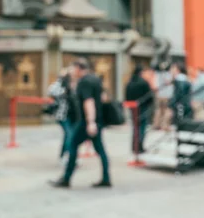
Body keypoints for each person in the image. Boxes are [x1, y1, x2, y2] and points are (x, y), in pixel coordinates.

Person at [49, 58, 111, 188]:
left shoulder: (84, 82)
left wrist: (90, 122)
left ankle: (66, 178)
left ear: (78, 68)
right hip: (97, 120)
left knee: (72, 145)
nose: (72, 71)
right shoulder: (95, 79)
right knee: (100, 150)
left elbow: (89, 102)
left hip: (86, 122)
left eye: (73, 68)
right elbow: (103, 98)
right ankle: (106, 178)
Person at [46, 68, 78, 165]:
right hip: (62, 115)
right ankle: (67, 156)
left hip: (73, 115)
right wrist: (63, 85)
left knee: (69, 136)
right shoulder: (58, 86)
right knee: (69, 135)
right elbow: (51, 91)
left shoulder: (74, 84)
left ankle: (65, 155)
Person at [125, 65, 154, 153]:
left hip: (132, 108)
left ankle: (134, 146)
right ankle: (139, 146)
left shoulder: (130, 82)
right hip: (142, 107)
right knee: (142, 127)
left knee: (135, 127)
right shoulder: (144, 83)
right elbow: (149, 96)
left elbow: (126, 95)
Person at [153, 62, 174, 131]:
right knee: (167, 110)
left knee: (159, 110)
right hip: (167, 95)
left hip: (159, 94)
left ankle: (157, 124)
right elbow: (169, 83)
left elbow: (155, 85)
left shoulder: (157, 74)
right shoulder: (169, 75)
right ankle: (165, 126)